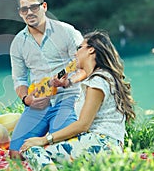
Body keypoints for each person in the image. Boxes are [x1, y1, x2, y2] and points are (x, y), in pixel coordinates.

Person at [20, 31, 136, 170]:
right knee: (53, 154)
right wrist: (64, 82)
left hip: (100, 145)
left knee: (31, 149)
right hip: (107, 147)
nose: (75, 53)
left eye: (79, 48)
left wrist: (44, 139)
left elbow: (83, 125)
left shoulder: (97, 81)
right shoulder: (104, 77)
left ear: (91, 50)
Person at [9, 0, 84, 158]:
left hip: (67, 98)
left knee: (63, 149)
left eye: (33, 7)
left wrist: (69, 81)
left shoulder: (67, 31)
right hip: (38, 104)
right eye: (24, 9)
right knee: (16, 153)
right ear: (20, 12)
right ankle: (41, 141)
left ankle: (46, 141)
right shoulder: (18, 43)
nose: (29, 12)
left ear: (44, 7)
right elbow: (19, 79)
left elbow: (86, 63)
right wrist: (27, 99)